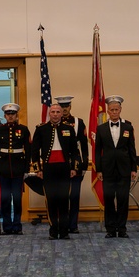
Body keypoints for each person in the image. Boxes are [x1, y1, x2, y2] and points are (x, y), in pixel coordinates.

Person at [30, 103, 81, 240]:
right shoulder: (41, 129)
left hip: (64, 169)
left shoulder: (69, 129)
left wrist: (74, 168)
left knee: (64, 201)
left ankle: (64, 231)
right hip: (48, 170)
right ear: (49, 113)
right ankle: (53, 230)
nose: (55, 114)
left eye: (58, 112)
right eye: (53, 112)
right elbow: (34, 151)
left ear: (61, 114)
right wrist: (37, 170)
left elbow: (75, 152)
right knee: (51, 200)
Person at [94, 96, 138, 238]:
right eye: (111, 110)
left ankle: (122, 228)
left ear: (120, 110)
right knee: (109, 199)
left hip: (124, 169)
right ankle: (111, 229)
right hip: (107, 170)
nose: (114, 112)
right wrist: (98, 170)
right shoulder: (101, 128)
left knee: (123, 199)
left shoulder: (128, 127)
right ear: (108, 111)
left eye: (116, 110)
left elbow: (132, 149)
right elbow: (97, 151)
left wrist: (133, 168)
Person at [0, 103, 31, 235]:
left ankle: (17, 225)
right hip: (3, 169)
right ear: (5, 116)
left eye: (13, 114)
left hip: (18, 169)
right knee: (5, 199)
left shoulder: (24, 130)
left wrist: (26, 169)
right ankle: (7, 226)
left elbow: (28, 151)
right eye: (8, 114)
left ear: (16, 115)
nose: (10, 116)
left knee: (18, 199)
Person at [56, 96, 89, 234]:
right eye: (62, 106)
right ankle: (62, 223)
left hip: (75, 164)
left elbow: (84, 144)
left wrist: (84, 163)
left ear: (70, 107)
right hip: (59, 164)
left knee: (74, 196)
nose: (64, 109)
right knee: (61, 196)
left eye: (66, 106)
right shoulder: (53, 122)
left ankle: (73, 225)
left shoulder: (78, 122)